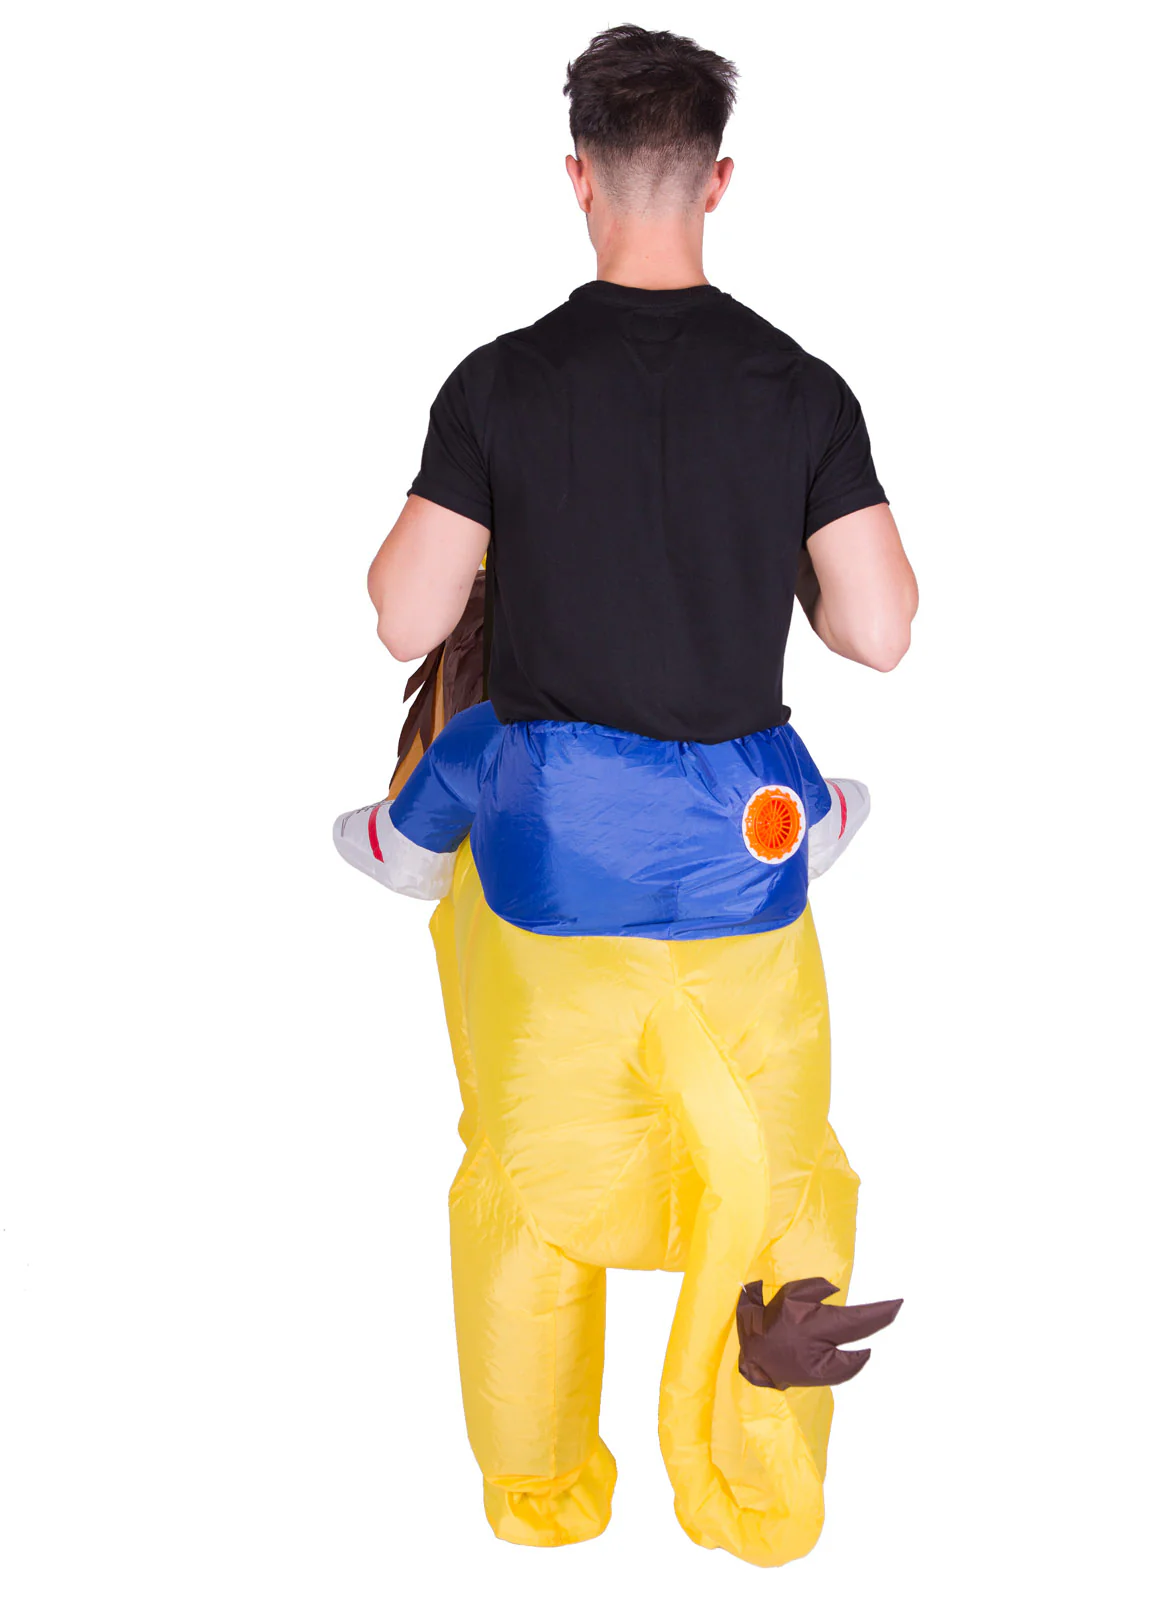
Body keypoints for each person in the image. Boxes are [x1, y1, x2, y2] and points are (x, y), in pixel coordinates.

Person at [336, 24, 918, 1566]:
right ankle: (758, 1484)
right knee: (778, 1175)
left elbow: (403, 620)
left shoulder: (499, 386)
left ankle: (541, 1494)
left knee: (532, 1192)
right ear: (716, 180)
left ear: (577, 177)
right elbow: (876, 631)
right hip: (741, 886)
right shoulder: (797, 390)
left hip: (549, 891)